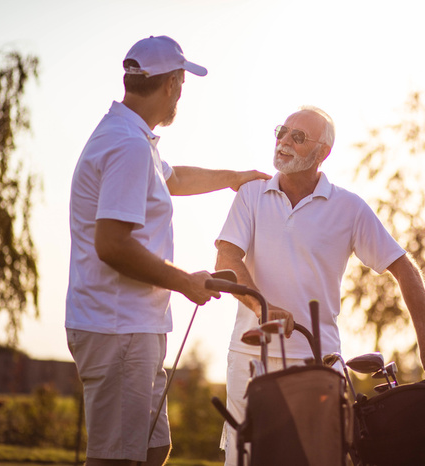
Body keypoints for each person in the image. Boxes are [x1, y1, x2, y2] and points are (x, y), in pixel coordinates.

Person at [65, 35, 270, 466]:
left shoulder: (131, 137)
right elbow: (112, 245)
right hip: (117, 326)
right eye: (183, 85)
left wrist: (235, 177)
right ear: (174, 84)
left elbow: (173, 180)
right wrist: (185, 282)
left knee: (154, 448)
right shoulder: (129, 147)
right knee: (117, 459)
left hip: (131, 325)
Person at [215, 105, 425, 466]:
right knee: (246, 459)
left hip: (318, 364)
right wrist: (263, 307)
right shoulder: (251, 195)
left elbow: (404, 268)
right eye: (282, 132)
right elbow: (227, 261)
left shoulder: (349, 208)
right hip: (250, 357)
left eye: (298, 137)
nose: (283, 142)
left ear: (322, 153)